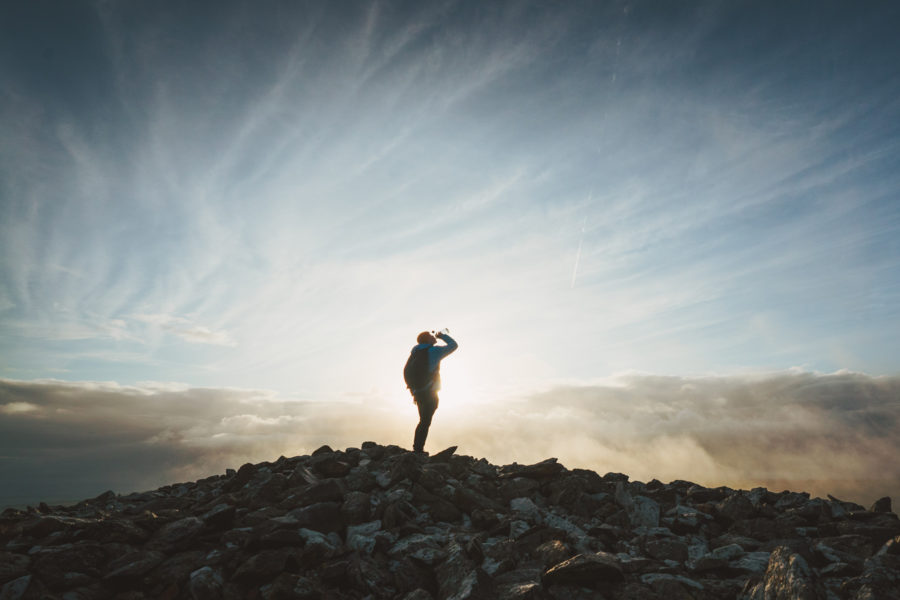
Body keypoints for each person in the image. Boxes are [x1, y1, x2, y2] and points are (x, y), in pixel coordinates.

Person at [407, 329, 458, 453]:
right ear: (427, 339)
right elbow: (454, 346)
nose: (433, 336)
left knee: (423, 421)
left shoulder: (415, 352)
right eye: (431, 336)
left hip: (417, 392)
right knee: (425, 422)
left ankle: (417, 447)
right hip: (429, 391)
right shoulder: (434, 351)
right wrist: (442, 336)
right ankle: (418, 449)